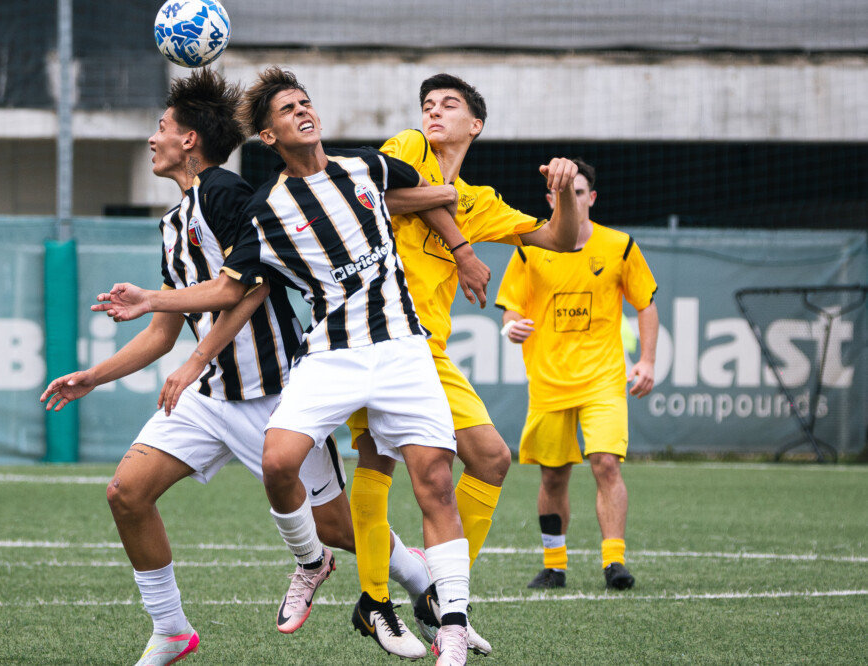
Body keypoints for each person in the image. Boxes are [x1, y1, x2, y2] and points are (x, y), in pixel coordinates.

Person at [39, 69, 431, 666]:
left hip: (275, 393)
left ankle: (423, 584)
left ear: (190, 140)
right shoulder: (173, 223)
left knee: (338, 531)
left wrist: (183, 342)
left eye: (162, 127)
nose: (153, 138)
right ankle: (171, 630)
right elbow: (162, 331)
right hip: (208, 398)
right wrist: (94, 376)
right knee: (126, 493)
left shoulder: (224, 192)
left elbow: (242, 288)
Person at [344, 73, 581, 657]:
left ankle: (439, 599)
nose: (433, 111)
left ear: (475, 125)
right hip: (373, 336)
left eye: (449, 104)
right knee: (380, 459)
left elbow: (560, 240)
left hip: (430, 351)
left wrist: (567, 191)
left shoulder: (481, 200)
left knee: (493, 459)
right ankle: (375, 600)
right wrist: (464, 248)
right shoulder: (406, 146)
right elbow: (391, 197)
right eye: (428, 103)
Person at [495, 158, 659, 591]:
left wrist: (647, 361)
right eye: (563, 192)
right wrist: (510, 326)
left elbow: (646, 304)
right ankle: (554, 564)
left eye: (580, 191)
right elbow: (511, 305)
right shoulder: (530, 247)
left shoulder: (620, 245)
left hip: (603, 378)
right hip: (548, 379)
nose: (573, 198)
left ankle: (614, 562)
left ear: (592, 197)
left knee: (605, 463)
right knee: (553, 473)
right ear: (550, 198)